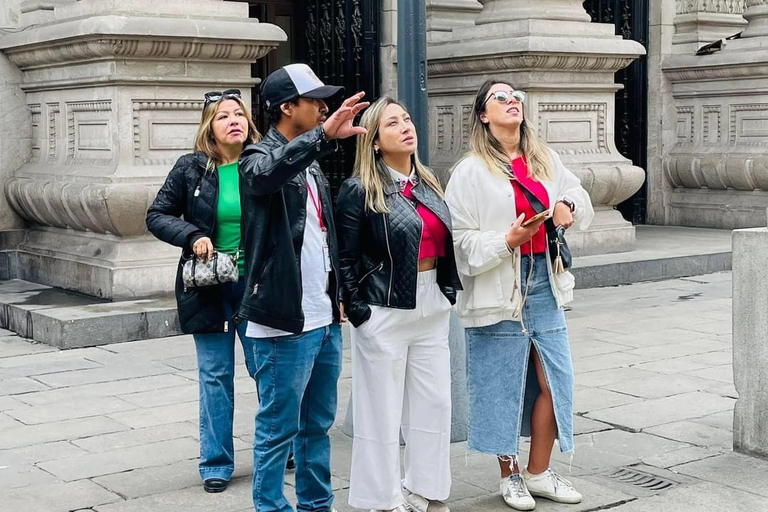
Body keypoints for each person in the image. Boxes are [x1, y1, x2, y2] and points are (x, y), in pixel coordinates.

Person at [444, 80, 595, 511]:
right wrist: (507, 240)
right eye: (500, 98)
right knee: (501, 383)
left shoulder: (544, 159)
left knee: (554, 378)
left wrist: (567, 205)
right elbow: (460, 242)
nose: (512, 102)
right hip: (497, 284)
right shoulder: (470, 171)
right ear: (483, 115)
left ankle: (539, 471)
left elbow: (577, 192)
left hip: (544, 281)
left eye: (517, 98)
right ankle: (509, 476)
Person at [237, 63, 368, 512]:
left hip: (324, 318)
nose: (323, 107)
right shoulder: (254, 157)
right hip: (281, 320)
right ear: (285, 107)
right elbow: (265, 175)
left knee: (317, 426)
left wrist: (340, 298)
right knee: (279, 429)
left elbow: (323, 239)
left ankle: (318, 505)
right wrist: (321, 138)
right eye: (313, 100)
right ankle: (271, 506)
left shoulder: (311, 164)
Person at [336, 97, 462, 512]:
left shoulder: (427, 182)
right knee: (381, 409)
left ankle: (427, 487)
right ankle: (382, 498)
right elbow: (345, 257)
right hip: (383, 307)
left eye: (407, 119)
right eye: (393, 123)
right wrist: (358, 312)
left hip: (431, 303)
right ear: (374, 140)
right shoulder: (359, 189)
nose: (406, 126)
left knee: (435, 401)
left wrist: (446, 294)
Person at [146, 89, 260, 493]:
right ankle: (216, 462)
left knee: (267, 370)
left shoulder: (260, 164)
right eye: (223, 115)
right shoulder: (191, 168)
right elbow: (156, 215)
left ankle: (280, 449)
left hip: (257, 286)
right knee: (216, 374)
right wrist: (192, 234)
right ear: (208, 127)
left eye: (239, 114)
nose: (234, 120)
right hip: (209, 286)